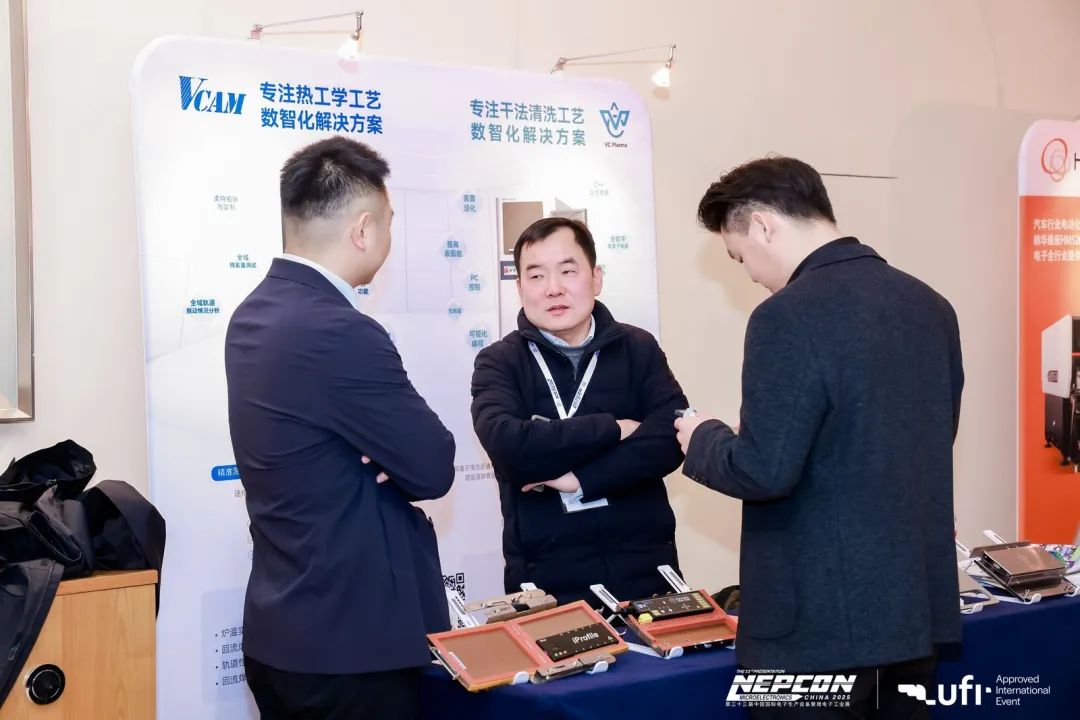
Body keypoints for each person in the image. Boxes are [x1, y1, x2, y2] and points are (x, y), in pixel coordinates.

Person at [676, 156, 963, 718]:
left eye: (739, 256)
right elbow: (918, 439)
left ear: (763, 225)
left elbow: (763, 471)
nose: (750, 274)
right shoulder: (932, 306)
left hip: (812, 630)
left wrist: (703, 437)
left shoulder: (784, 316)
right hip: (912, 614)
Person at [225, 137, 456, 720]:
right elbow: (432, 465)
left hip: (285, 631)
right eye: (389, 221)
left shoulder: (254, 313)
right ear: (363, 229)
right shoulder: (339, 329)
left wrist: (376, 454)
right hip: (352, 650)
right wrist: (382, 456)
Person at [471, 216, 687, 605]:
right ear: (520, 288)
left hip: (646, 572)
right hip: (547, 585)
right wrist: (613, 429)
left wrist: (580, 479)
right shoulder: (499, 362)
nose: (553, 288)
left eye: (567, 271)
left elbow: (672, 437)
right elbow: (509, 446)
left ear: (596, 278)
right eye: (536, 276)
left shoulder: (638, 348)